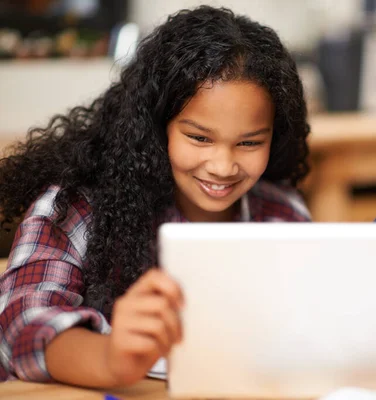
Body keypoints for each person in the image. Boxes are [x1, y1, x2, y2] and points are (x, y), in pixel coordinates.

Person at [0, 5, 311, 387]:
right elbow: (20, 324)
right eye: (199, 137)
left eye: (249, 143)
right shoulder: (77, 209)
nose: (223, 166)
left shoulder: (282, 214)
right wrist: (112, 358)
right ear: (155, 127)